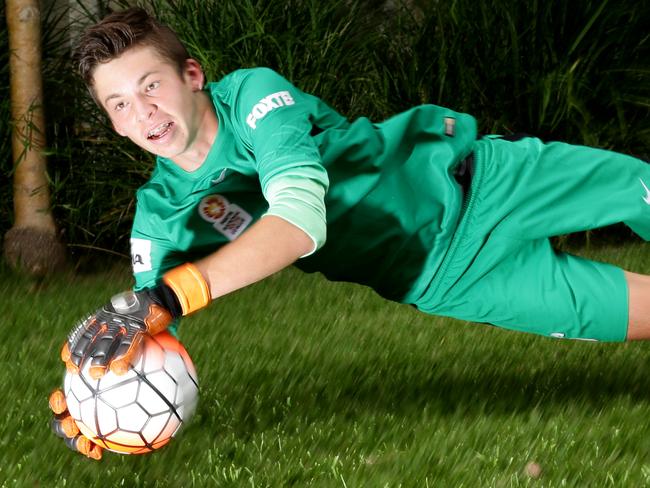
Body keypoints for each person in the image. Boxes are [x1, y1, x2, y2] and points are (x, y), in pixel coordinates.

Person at [49, 7, 650, 459]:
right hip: (448, 276)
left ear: (192, 75)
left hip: (484, 179)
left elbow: (302, 219)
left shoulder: (255, 95)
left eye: (151, 85)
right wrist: (97, 396)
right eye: (119, 104)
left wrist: (170, 296)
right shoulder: (160, 217)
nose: (143, 112)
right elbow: (149, 328)